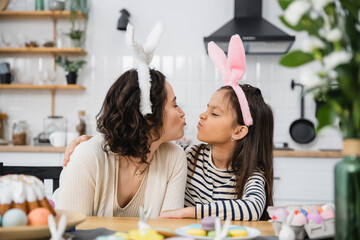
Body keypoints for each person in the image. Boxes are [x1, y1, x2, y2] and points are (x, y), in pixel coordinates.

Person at [62, 35, 274, 221]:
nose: (197, 114)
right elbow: (133, 146)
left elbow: (252, 208)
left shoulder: (181, 158)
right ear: (148, 116)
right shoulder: (190, 156)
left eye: (215, 113)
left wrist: (189, 212)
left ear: (238, 131)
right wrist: (96, 143)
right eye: (174, 104)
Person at [53, 23, 188, 217]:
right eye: (174, 105)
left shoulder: (175, 157)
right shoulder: (88, 157)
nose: (182, 113)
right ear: (149, 117)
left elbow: (168, 229)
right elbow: (72, 231)